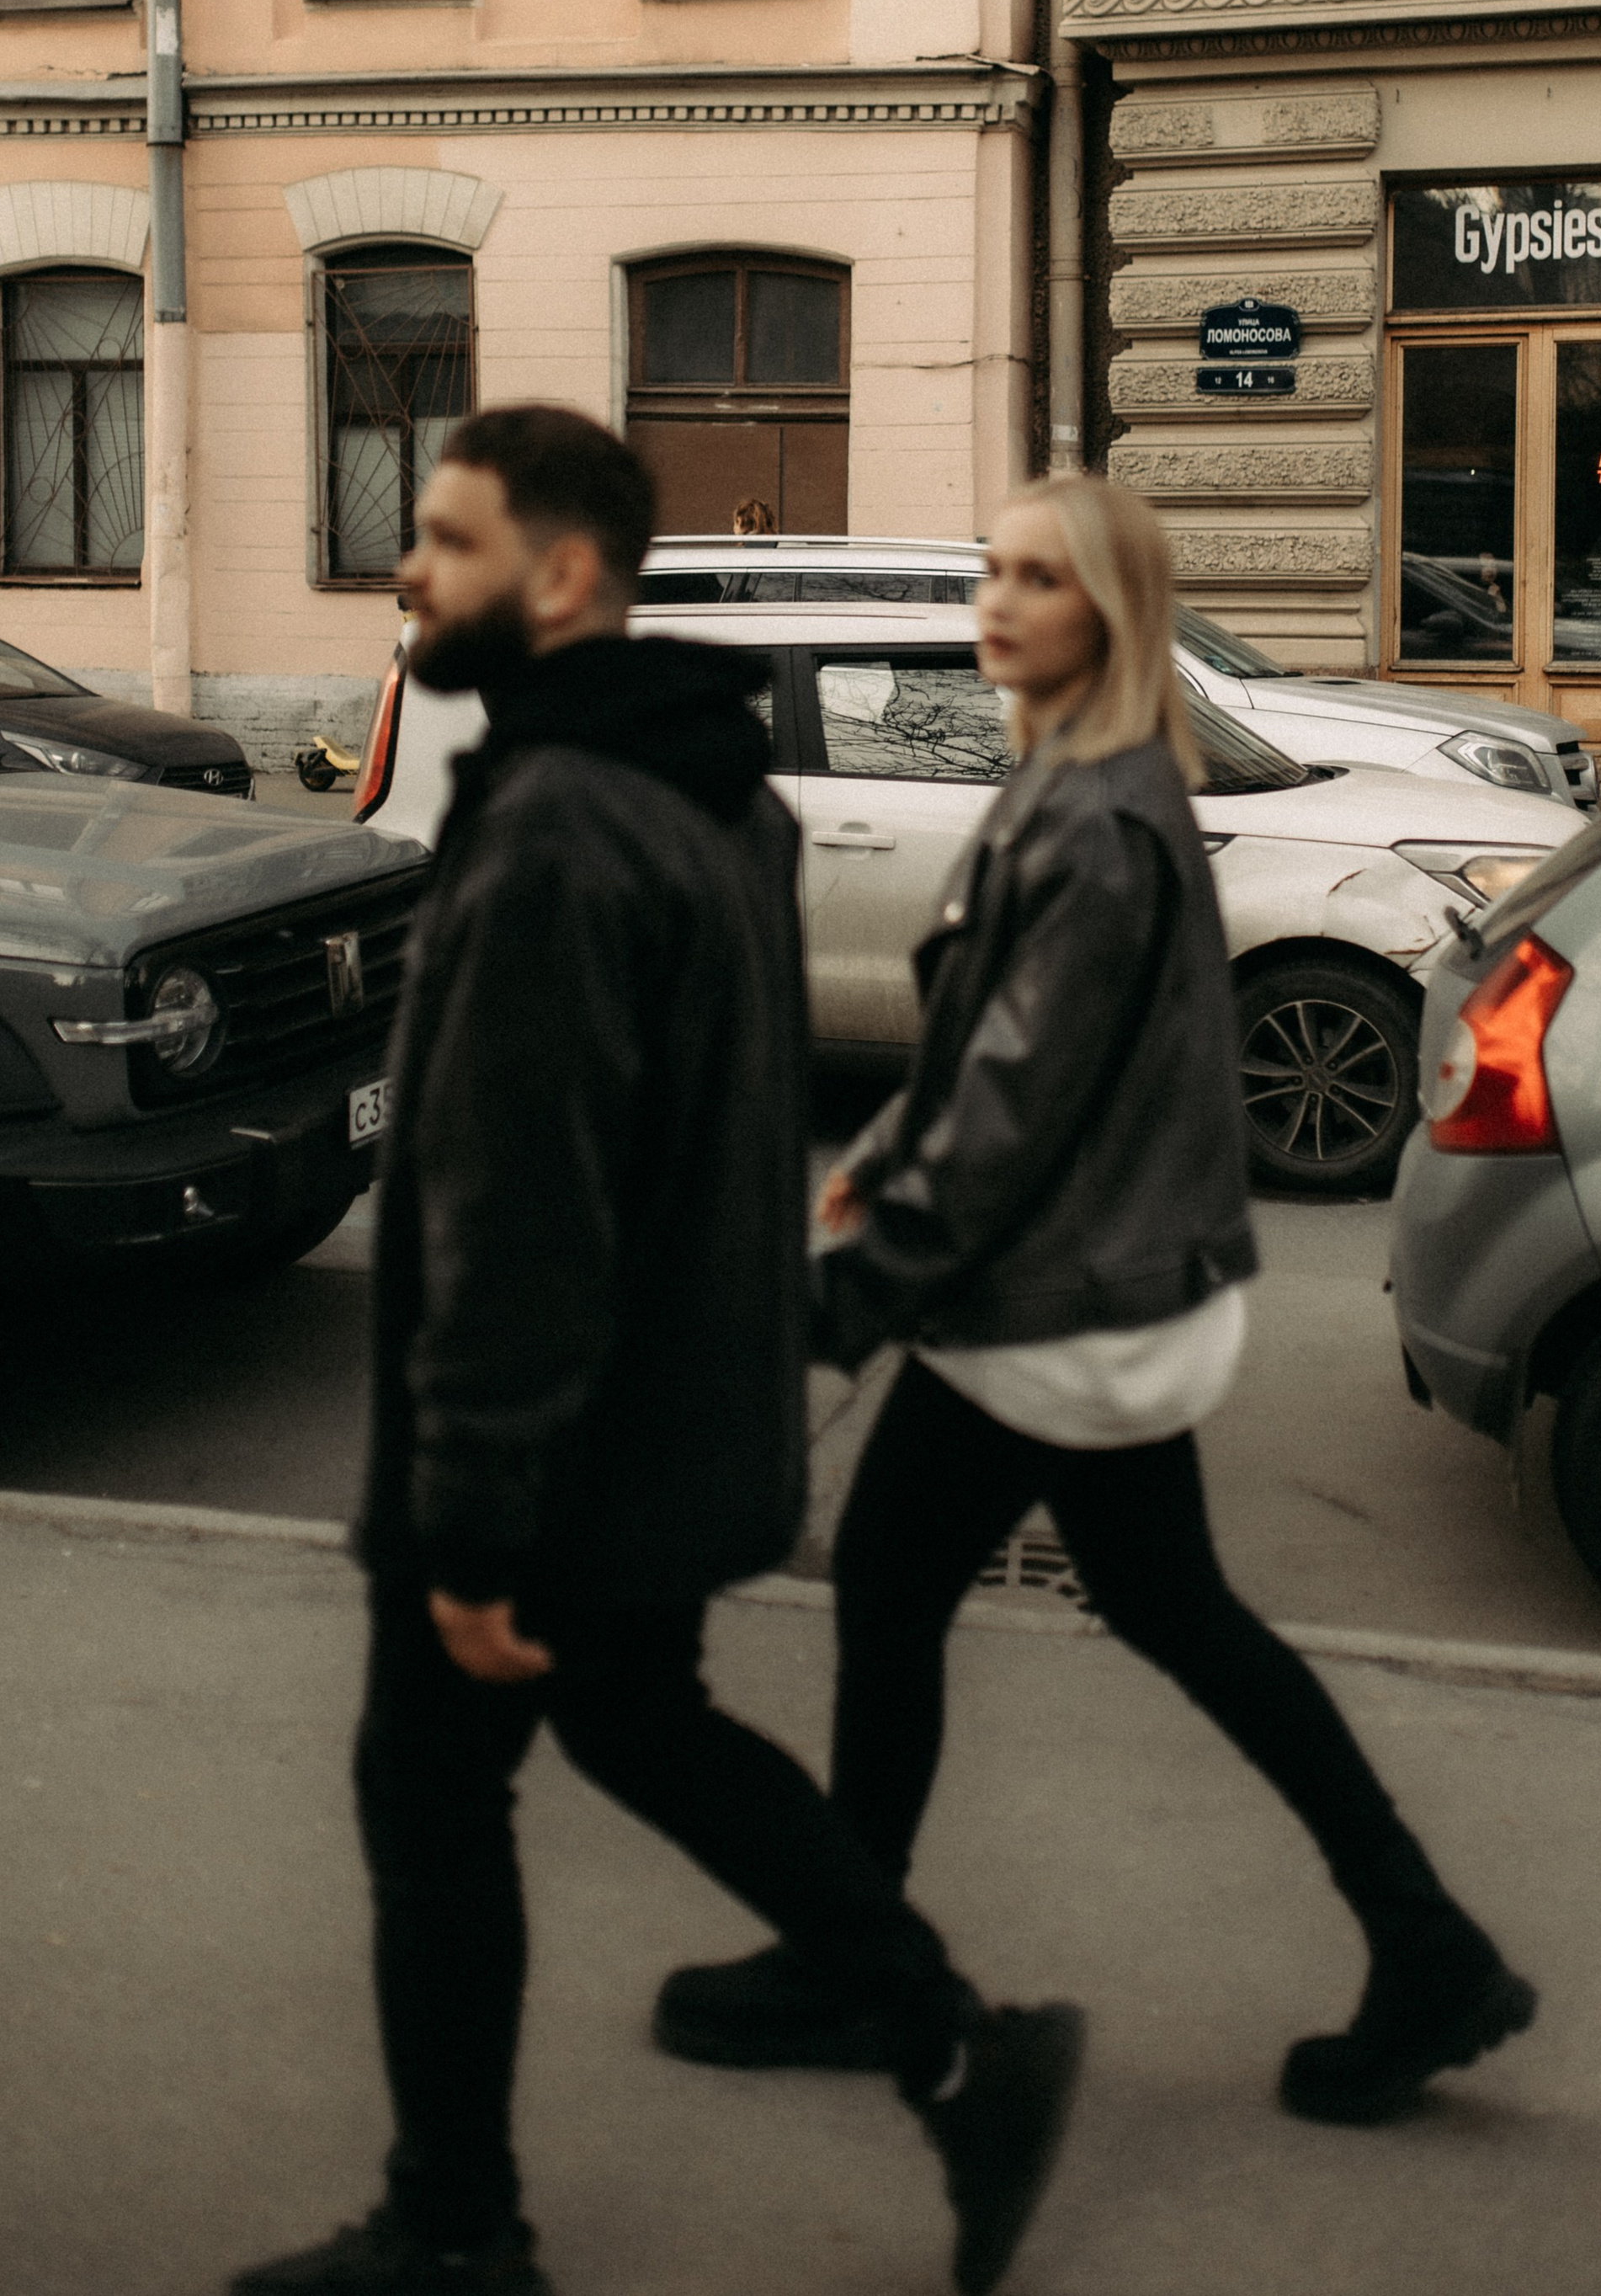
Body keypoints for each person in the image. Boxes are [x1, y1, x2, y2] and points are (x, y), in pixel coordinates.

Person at [231, 406, 1082, 2296]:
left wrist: (465, 1524)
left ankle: (456, 2226)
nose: (403, 571)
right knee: (639, 1718)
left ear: (558, 572)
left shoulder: (552, 827)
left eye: (442, 541)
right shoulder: (714, 787)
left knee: (430, 1802)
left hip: (549, 1449)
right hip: (674, 1414)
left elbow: (515, 1211)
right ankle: (960, 2043)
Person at [655, 471, 1537, 2130]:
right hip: (1084, 1287)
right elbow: (1000, 1056)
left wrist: (836, 1303)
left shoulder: (1096, 819)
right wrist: (898, 1145)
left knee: (915, 1590)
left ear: (1108, 613)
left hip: (1055, 1304)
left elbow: (1012, 1109)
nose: (997, 598)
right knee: (1138, 1610)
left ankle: (865, 1958)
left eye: (1038, 578)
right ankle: (1421, 1942)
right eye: (991, 567)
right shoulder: (1072, 778)